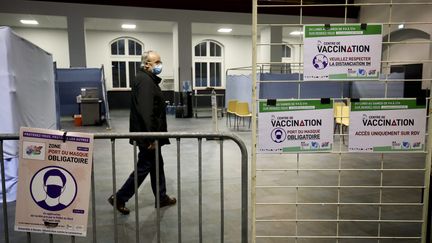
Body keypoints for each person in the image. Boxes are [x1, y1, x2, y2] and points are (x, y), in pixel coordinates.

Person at [108, 50, 176, 215]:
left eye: (160, 61)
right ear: (147, 64)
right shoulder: (145, 81)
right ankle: (120, 197)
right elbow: (146, 112)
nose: (160, 64)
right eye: (157, 62)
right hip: (148, 135)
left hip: (149, 134)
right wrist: (151, 137)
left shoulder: (146, 79)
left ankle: (161, 196)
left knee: (156, 165)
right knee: (144, 166)